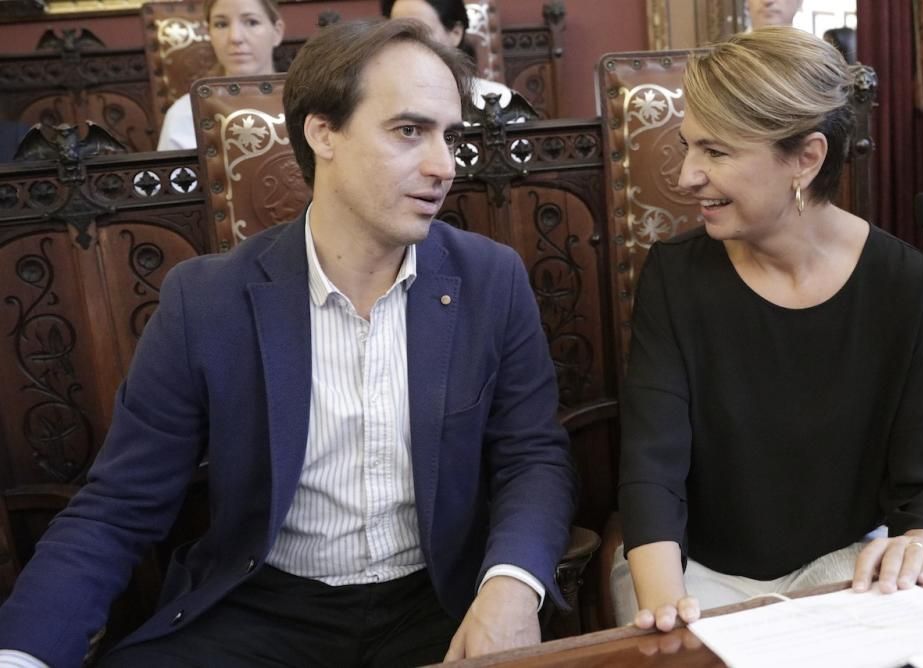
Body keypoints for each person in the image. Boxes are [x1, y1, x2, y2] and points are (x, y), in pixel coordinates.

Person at [0, 18, 576, 668]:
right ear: (322, 131)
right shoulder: (207, 300)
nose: (444, 165)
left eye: (450, 135)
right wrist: (22, 654)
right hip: (261, 607)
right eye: (410, 131)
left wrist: (511, 585)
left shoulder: (489, 280)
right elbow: (118, 508)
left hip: (438, 600)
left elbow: (534, 458)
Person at [612, 26, 923, 633]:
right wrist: (665, 609)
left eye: (717, 152)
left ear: (806, 158)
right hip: (696, 572)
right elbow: (652, 468)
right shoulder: (674, 278)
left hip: (847, 569)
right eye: (689, 147)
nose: (686, 177)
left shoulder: (904, 281)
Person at [157, 0, 285, 150]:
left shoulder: (307, 106)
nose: (235, 37)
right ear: (209, 33)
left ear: (277, 32)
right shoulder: (185, 115)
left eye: (251, 22)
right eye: (221, 24)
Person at [380, 0, 516, 110]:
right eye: (400, 33)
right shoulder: (378, 102)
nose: (408, 44)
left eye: (421, 33)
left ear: (455, 34)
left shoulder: (500, 101)